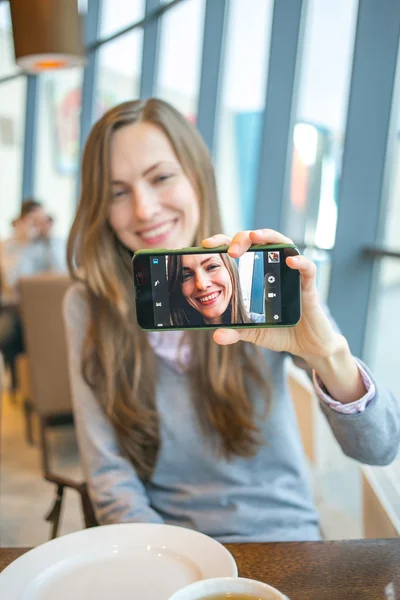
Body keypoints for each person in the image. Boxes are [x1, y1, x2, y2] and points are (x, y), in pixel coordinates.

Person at [64, 98, 400, 543]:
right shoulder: (88, 305)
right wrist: (168, 562)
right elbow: (111, 480)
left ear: (198, 178)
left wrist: (329, 355)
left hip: (286, 540)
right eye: (118, 192)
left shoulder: (258, 278)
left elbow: (378, 448)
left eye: (161, 177)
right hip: (171, 547)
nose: (144, 210)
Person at [0, 199, 67, 393]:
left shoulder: (56, 244)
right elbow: (12, 280)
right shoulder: (8, 246)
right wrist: (24, 243)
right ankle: (17, 384)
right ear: (21, 221)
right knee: (7, 333)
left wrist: (50, 241)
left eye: (43, 219)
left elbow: (63, 276)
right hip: (17, 311)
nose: (38, 225)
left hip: (50, 311)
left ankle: (52, 388)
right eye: (33, 220)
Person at [167, 252, 262, 326]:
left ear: (230, 269)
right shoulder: (169, 340)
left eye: (212, 267)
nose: (202, 285)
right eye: (186, 275)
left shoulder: (265, 327)